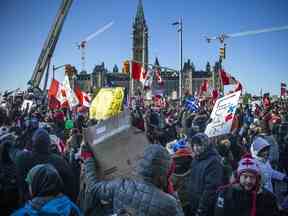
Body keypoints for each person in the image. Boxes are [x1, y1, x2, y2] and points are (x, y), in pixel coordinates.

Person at [82, 143, 184, 216]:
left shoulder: (120, 186)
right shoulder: (169, 203)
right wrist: (172, 195)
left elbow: (94, 188)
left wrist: (88, 159)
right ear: (164, 174)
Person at [8, 128, 77, 203]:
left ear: (32, 143)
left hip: (29, 205)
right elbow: (72, 187)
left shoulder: (23, 158)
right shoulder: (60, 161)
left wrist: (23, 134)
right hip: (56, 207)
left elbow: (12, 150)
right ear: (49, 144)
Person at [214, 155, 279, 216]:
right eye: (245, 176)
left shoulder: (268, 197)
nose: (248, 181)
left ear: (257, 179)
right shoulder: (225, 193)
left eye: (252, 177)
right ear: (238, 177)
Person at [12, 164, 82, 215]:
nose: (29, 187)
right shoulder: (73, 209)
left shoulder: (24, 213)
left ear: (36, 185)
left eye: (30, 184)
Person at [187, 133, 224, 216]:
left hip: (205, 208)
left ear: (206, 145)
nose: (196, 148)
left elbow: (211, 188)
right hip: (194, 203)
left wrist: (202, 208)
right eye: (194, 145)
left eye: (199, 145)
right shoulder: (196, 159)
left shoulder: (214, 161)